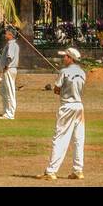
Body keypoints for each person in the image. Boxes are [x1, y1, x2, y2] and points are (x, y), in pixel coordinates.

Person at [42, 47, 86, 180]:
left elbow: (56, 89)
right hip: (79, 106)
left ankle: (51, 171)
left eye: (65, 56)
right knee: (79, 139)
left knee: (60, 138)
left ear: (70, 58)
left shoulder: (64, 72)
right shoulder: (83, 73)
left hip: (67, 107)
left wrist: (60, 89)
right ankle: (78, 170)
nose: (63, 58)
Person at [0, 26, 20, 119]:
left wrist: (6, 66)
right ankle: (6, 111)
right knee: (3, 90)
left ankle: (10, 114)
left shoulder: (11, 45)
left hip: (9, 69)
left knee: (10, 91)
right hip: (9, 69)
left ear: (10, 35)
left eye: (6, 33)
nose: (5, 35)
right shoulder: (12, 44)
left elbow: (9, 57)